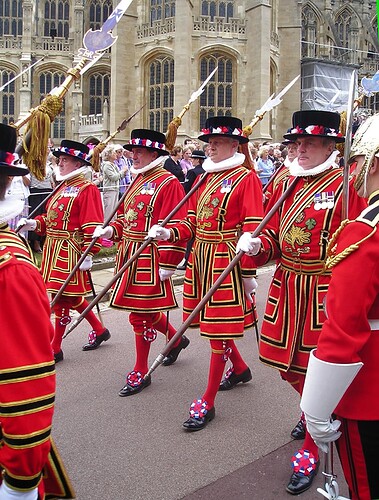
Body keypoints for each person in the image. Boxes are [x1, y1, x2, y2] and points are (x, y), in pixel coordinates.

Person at [237, 110, 367, 495]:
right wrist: (260, 245)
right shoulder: (287, 183)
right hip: (287, 285)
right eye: (295, 144)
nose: (300, 149)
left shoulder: (347, 185)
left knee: (318, 369)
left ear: (331, 146)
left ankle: (314, 441)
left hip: (325, 289)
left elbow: (360, 243)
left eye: (308, 143)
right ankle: (314, 410)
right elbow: (274, 233)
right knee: (285, 367)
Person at [149, 116, 264, 431]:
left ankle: (209, 400)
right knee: (214, 325)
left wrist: (247, 269)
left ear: (233, 145)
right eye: (208, 141)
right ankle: (239, 368)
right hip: (201, 257)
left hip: (226, 258)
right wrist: (168, 233)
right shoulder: (204, 177)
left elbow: (253, 227)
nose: (209, 145)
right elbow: (190, 222)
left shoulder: (246, 178)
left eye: (216, 141)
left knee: (217, 330)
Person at [301, 113, 379, 500]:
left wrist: (317, 406)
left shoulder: (364, 230)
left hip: (370, 388)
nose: (354, 170)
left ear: (373, 163)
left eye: (357, 161)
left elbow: (344, 326)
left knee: (366, 484)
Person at [93, 129, 189, 397]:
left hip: (151, 256)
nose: (132, 156)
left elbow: (178, 224)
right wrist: (112, 230)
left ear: (154, 154)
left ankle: (141, 369)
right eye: (132, 151)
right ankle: (176, 339)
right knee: (142, 312)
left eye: (139, 152)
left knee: (139, 315)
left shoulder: (168, 182)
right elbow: (126, 216)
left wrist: (169, 263)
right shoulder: (138, 179)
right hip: (130, 253)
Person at [0, 123, 66, 500]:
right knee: (62, 308)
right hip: (57, 250)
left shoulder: (9, 268)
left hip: (71, 251)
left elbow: (24, 384)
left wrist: (20, 484)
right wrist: (37, 223)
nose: (63, 161)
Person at [18, 140, 111, 363]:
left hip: (71, 250)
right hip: (52, 249)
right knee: (69, 297)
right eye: (59, 159)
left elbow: (92, 224)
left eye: (65, 160)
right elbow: (50, 218)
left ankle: (55, 347)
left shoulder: (86, 188)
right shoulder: (60, 186)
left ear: (78, 163)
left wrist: (90, 252)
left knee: (61, 298)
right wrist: (34, 225)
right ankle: (99, 329)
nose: (59, 163)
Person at [178, 149, 207, 270]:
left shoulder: (192, 172)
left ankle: (187, 260)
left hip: (192, 203)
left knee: (190, 233)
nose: (192, 161)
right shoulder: (206, 171)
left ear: (197, 160)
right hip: (203, 204)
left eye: (193, 159)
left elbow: (186, 188)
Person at [101, 145, 128, 222]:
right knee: (109, 211)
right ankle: (106, 226)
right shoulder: (107, 165)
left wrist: (124, 173)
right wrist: (122, 171)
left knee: (114, 211)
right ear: (109, 155)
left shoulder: (113, 165)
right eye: (114, 153)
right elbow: (114, 177)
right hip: (109, 190)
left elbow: (119, 177)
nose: (116, 154)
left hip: (115, 189)